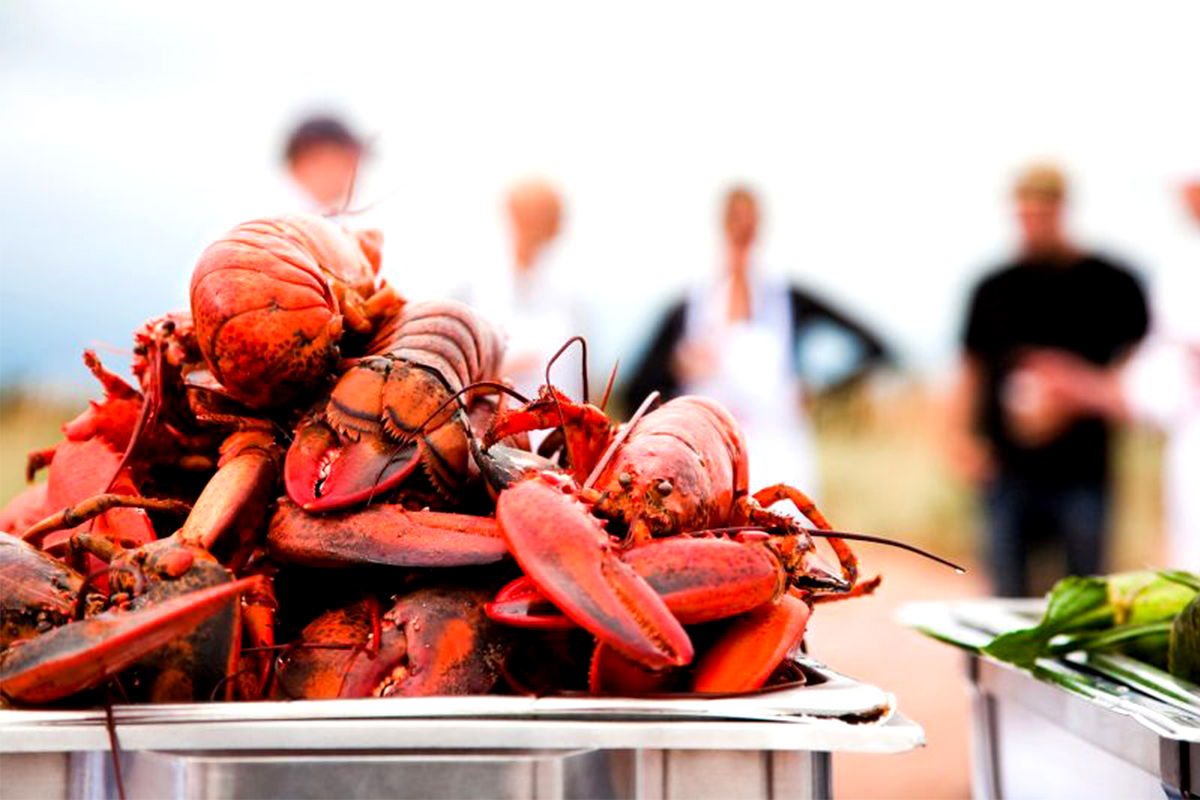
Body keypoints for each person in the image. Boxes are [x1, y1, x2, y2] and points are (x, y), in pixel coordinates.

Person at [948, 164, 1150, 596]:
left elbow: (1140, 366)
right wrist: (960, 439)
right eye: (1026, 213)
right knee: (1005, 595)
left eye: (1043, 212)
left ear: (1061, 209)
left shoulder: (1113, 283)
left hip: (1082, 467)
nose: (1033, 223)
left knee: (1084, 595)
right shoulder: (992, 288)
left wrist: (1077, 392)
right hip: (1007, 467)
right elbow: (970, 368)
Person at [624, 185, 891, 493]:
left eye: (748, 222)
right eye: (735, 221)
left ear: (759, 227)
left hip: (780, 461)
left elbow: (875, 347)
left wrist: (820, 388)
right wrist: (677, 369)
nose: (741, 231)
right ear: (723, 225)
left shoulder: (790, 300)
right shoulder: (688, 308)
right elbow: (637, 388)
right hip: (707, 465)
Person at [1017, 177, 1200, 569]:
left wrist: (1078, 387)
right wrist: (1079, 387)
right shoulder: (1184, 265)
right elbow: (1159, 384)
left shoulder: (1138, 279)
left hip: (1088, 472)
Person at [469, 179, 585, 398]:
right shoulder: (474, 289)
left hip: (561, 418)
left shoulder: (569, 296)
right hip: (490, 416)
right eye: (539, 215)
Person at [282, 115, 364, 213]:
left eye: (332, 163)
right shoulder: (288, 214)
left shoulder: (373, 212)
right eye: (313, 164)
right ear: (294, 170)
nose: (323, 174)